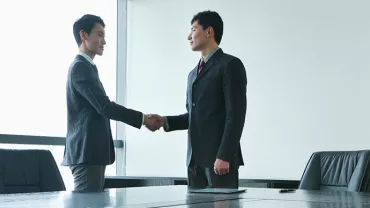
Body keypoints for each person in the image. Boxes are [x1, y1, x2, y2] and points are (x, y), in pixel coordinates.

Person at [150, 10, 247, 189]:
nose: (189, 36)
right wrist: (165, 121)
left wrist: (224, 155)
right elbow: (195, 116)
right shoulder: (192, 74)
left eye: (193, 30)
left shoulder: (230, 65)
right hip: (194, 162)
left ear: (209, 32)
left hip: (220, 163)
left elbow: (236, 115)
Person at [62, 14, 158, 192]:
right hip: (86, 153)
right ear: (83, 35)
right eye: (99, 34)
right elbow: (105, 107)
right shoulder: (80, 68)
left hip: (91, 154)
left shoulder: (88, 67)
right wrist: (143, 119)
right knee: (87, 205)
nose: (104, 41)